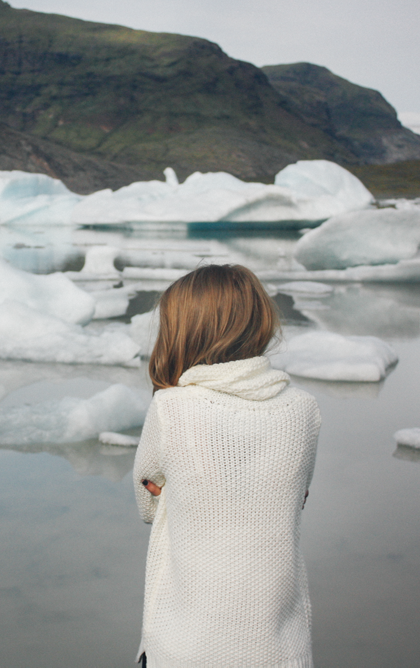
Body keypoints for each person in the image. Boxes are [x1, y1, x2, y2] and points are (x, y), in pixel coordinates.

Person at [133, 264, 321, 668]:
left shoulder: (172, 407)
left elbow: (147, 502)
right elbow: (295, 499)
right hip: (280, 649)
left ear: (183, 332)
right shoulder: (303, 410)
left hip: (185, 648)